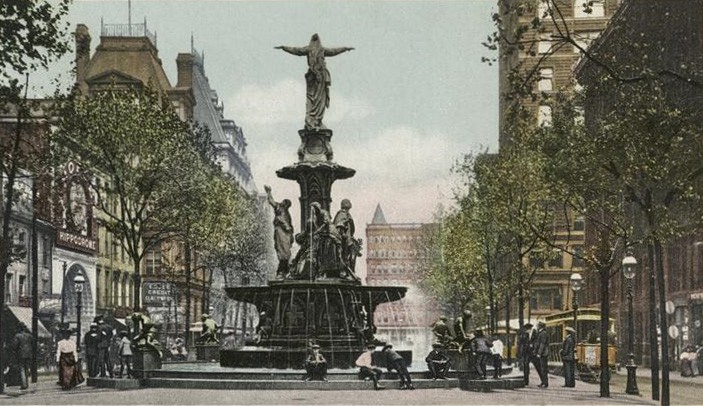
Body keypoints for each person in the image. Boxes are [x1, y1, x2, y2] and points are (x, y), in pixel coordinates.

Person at [275, 34, 354, 130]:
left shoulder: (312, 49)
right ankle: (313, 120)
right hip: (315, 77)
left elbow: (297, 50)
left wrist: (284, 47)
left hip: (318, 77)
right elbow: (297, 50)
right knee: (315, 98)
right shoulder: (319, 49)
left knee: (319, 99)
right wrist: (284, 48)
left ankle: (316, 120)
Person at [264, 185, 294, 278]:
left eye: (285, 203)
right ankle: (282, 270)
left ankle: (285, 269)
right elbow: (271, 201)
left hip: (287, 234)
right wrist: (269, 192)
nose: (283, 203)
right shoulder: (278, 208)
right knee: (282, 251)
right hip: (280, 232)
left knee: (286, 252)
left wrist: (291, 234)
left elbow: (290, 226)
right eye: (284, 202)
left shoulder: (287, 214)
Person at [11, 323, 33, 389]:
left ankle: (23, 384)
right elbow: (33, 344)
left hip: (21, 354)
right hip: (28, 354)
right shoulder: (29, 336)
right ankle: (27, 384)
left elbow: (14, 345)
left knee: (22, 369)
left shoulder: (17, 336)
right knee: (26, 369)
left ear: (19, 328)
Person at [534, 321, 550, 388]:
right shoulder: (541, 333)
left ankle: (545, 383)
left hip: (543, 354)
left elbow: (542, 344)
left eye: (538, 326)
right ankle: (543, 382)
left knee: (543, 368)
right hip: (542, 353)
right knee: (542, 368)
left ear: (540, 326)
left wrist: (539, 353)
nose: (537, 327)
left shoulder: (543, 333)